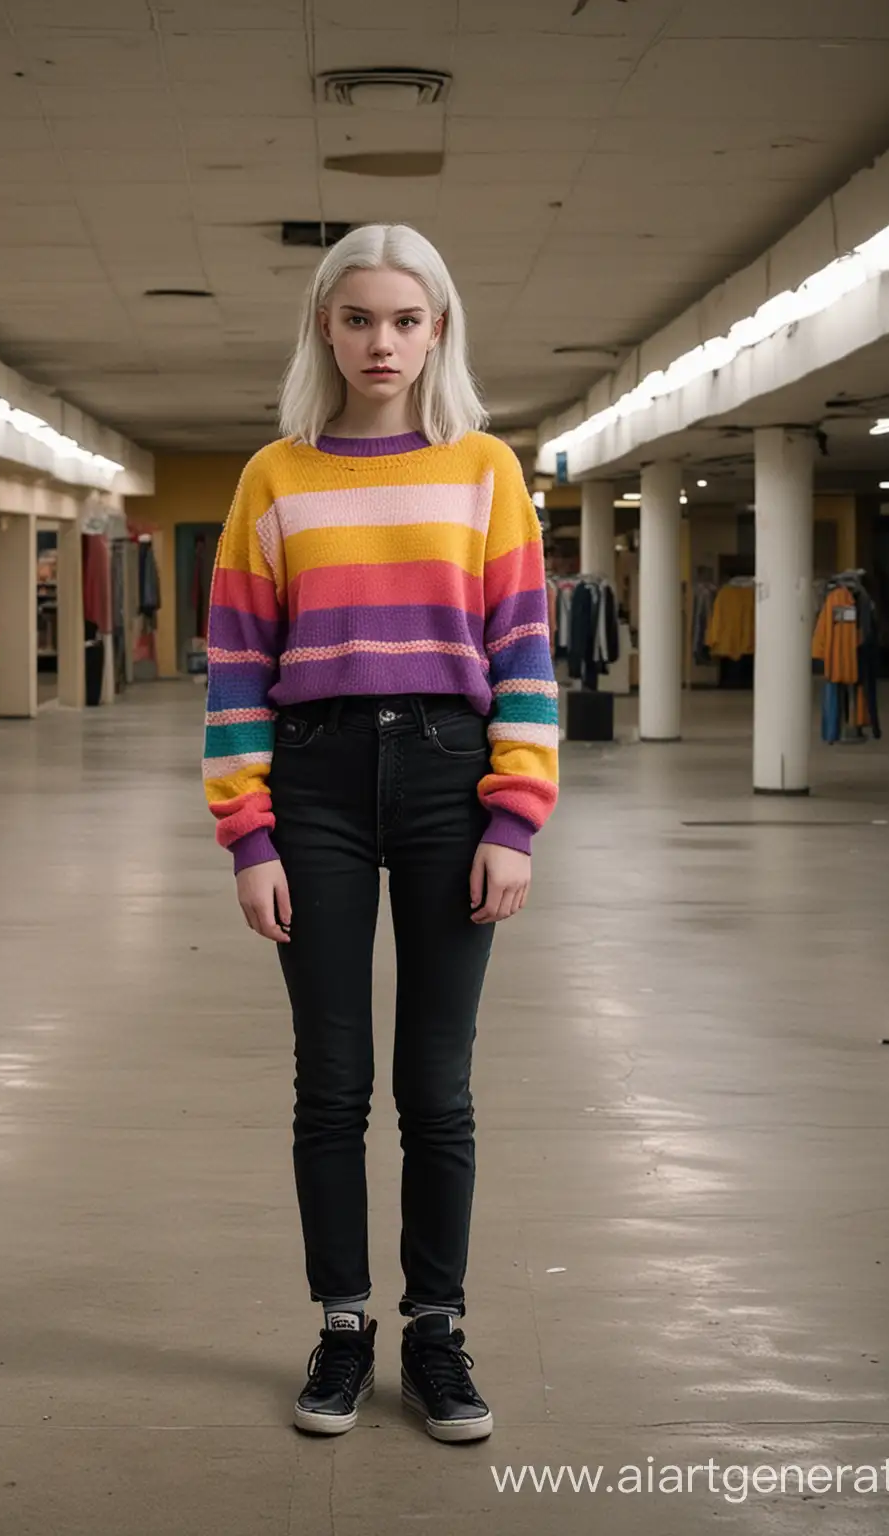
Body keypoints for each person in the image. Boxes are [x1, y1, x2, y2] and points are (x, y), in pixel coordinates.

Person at [200, 224, 559, 1443]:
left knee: (437, 1084)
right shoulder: (275, 477)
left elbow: (522, 654)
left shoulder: (485, 470)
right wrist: (248, 835)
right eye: (359, 319)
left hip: (453, 779)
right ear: (324, 327)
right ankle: (345, 1327)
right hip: (314, 784)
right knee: (333, 1082)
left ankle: (438, 1333)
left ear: (439, 329)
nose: (383, 342)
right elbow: (237, 666)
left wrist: (514, 818)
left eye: (407, 320)